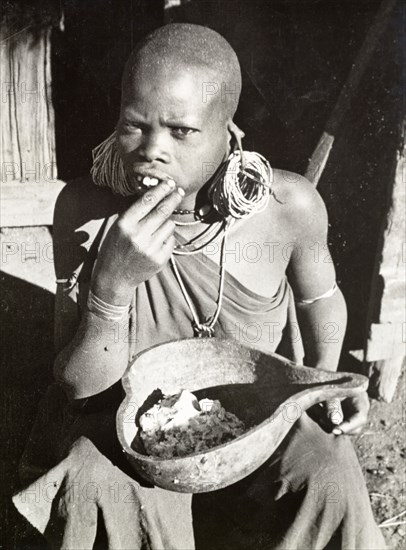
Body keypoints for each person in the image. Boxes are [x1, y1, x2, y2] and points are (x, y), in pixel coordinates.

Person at [13, 23, 386, 549]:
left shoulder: (288, 209)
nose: (152, 150)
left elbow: (319, 299)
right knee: (89, 478)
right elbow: (78, 388)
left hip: (255, 422)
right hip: (130, 433)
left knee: (328, 472)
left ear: (228, 134)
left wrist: (323, 380)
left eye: (181, 131)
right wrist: (112, 288)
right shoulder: (88, 211)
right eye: (133, 126)